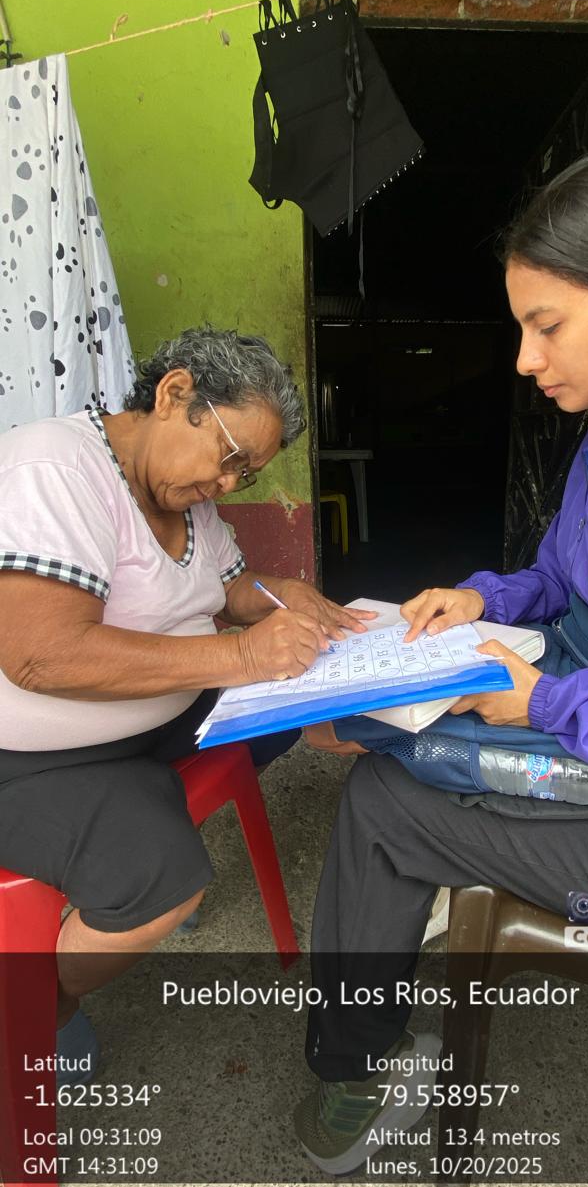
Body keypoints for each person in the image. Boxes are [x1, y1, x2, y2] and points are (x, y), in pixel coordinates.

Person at [295, 128, 588, 1175]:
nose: (526, 359)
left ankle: (354, 1073)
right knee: (387, 741)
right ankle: (359, 1049)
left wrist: (546, 704)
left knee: (386, 805)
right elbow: (567, 580)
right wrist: (482, 598)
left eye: (546, 325)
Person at [0, 327, 375, 1073]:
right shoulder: (55, 468)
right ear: (175, 395)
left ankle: (155, 806)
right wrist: (241, 655)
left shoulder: (183, 495)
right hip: (36, 759)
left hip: (157, 725)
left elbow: (229, 590)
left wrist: (281, 593)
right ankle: (43, 1004)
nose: (230, 484)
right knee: (160, 887)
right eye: (230, 458)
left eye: (248, 474)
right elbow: (42, 654)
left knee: (289, 709)